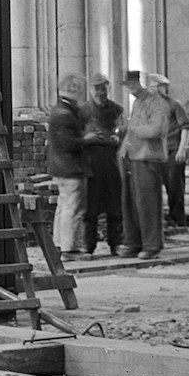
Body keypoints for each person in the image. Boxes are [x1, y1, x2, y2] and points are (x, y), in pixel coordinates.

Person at [117, 70, 189, 259]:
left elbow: (156, 130)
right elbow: (132, 131)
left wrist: (132, 130)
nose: (130, 89)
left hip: (148, 158)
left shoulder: (157, 104)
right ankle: (133, 242)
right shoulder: (137, 103)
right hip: (132, 158)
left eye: (132, 85)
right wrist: (123, 152)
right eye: (128, 86)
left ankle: (151, 244)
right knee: (131, 204)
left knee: (148, 203)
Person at [46, 73, 91, 260]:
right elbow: (68, 143)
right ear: (74, 90)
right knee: (72, 209)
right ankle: (70, 249)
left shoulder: (61, 110)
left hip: (61, 167)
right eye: (81, 89)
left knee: (63, 207)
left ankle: (58, 245)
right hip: (70, 168)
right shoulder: (64, 115)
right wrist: (86, 139)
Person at [81, 72, 126, 257]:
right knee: (90, 208)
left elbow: (124, 129)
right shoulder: (83, 111)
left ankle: (115, 243)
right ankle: (88, 246)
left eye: (103, 88)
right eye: (96, 88)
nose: (100, 92)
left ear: (109, 88)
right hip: (91, 163)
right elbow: (76, 136)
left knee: (114, 206)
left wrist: (119, 136)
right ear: (91, 90)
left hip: (112, 161)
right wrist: (87, 139)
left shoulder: (117, 109)